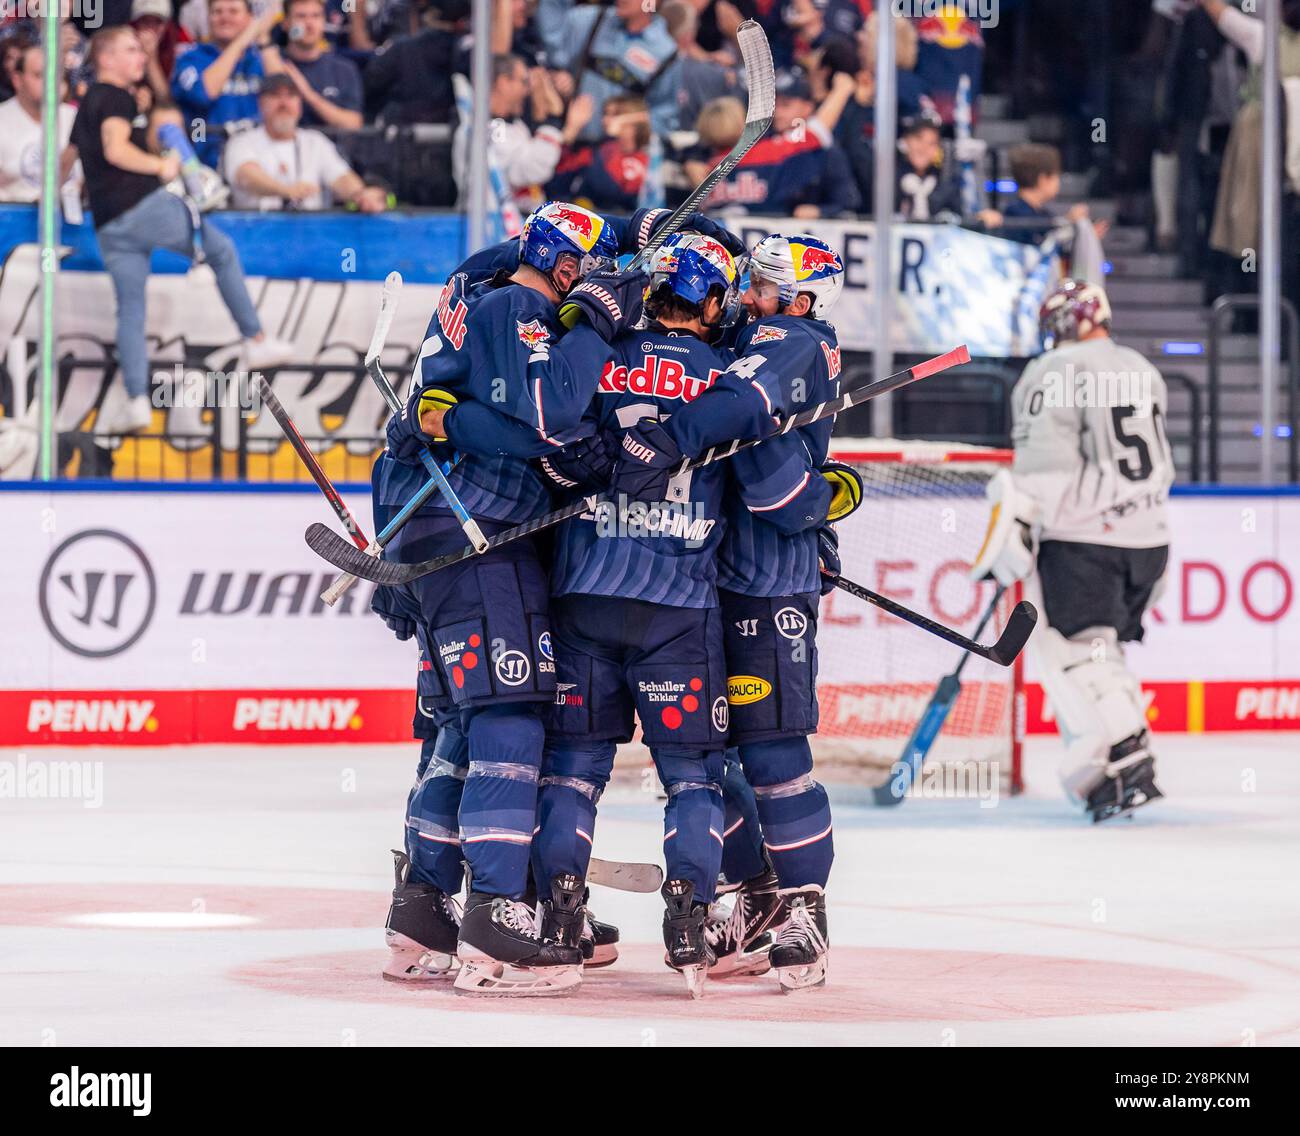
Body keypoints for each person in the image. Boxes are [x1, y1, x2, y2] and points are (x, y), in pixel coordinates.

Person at [378, 201, 651, 996]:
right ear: (566, 268)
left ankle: (422, 910)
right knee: (508, 715)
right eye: (588, 270)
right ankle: (498, 920)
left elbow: (413, 433)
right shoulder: (520, 306)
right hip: (479, 537)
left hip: (441, 532)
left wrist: (394, 547)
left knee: (459, 726)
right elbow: (546, 415)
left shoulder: (473, 287)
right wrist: (598, 326)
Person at [610, 233, 855, 992]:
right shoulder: (745, 335)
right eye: (746, 281)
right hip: (705, 576)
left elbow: (768, 477)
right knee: (706, 758)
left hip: (765, 581)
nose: (749, 295)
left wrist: (814, 507)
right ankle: (753, 897)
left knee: (775, 753)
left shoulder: (795, 339)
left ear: (802, 300)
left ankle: (806, 914)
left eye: (764, 286)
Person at [530, 232, 742, 999]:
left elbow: (549, 444)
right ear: (713, 303)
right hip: (679, 610)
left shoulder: (602, 358)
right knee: (692, 780)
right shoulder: (725, 377)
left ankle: (557, 916)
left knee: (574, 772)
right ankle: (690, 918)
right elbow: (760, 493)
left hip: (585, 593)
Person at [970, 279, 1173, 823]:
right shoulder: (1142, 366)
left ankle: (1127, 751)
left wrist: (1019, 525)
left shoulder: (1053, 371)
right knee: (1104, 651)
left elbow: (1044, 465)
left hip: (1087, 541)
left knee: (1076, 653)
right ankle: (1108, 772)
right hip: (1151, 539)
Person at [69, 26, 291, 434]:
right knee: (220, 250)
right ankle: (256, 341)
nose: (140, 56)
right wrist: (161, 166)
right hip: (140, 205)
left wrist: (57, 193)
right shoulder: (116, 96)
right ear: (105, 58)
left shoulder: (85, 104)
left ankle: (136, 399)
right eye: (131, 50)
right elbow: (114, 149)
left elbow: (66, 158)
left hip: (108, 224)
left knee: (130, 311)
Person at [222, 73, 387, 210]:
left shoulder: (315, 142)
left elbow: (341, 177)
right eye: (275, 96)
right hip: (254, 232)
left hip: (309, 234)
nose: (284, 104)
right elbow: (247, 177)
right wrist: (287, 191)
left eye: (291, 96)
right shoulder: (242, 141)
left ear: (299, 104)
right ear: (261, 104)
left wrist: (361, 194)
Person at [536, 0, 681, 141]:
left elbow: (664, 118)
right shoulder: (589, 20)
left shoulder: (666, 53)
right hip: (571, 142)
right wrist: (559, 77)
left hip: (619, 156)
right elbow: (549, 58)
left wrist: (628, 124)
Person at [171, 0, 284, 168]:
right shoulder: (191, 57)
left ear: (249, 18)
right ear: (208, 18)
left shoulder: (259, 58)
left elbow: (284, 94)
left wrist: (263, 38)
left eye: (233, 11)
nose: (225, 17)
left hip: (261, 158)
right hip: (206, 160)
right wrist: (242, 40)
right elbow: (203, 94)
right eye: (217, 12)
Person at [451, 54, 564, 216]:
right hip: (488, 227)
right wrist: (552, 121)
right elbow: (529, 169)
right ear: (504, 82)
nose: (527, 90)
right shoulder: (485, 129)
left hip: (515, 225)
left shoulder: (514, 125)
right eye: (524, 82)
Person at [0, 44, 80, 206]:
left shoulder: (76, 118)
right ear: (17, 79)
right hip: (12, 222)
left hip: (75, 222)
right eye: (40, 75)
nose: (51, 82)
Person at [277, 0, 364, 131]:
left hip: (333, 148)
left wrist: (308, 95)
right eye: (301, 16)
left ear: (324, 21)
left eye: (316, 16)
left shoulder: (343, 69)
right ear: (286, 23)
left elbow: (353, 124)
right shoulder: (274, 63)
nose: (309, 23)